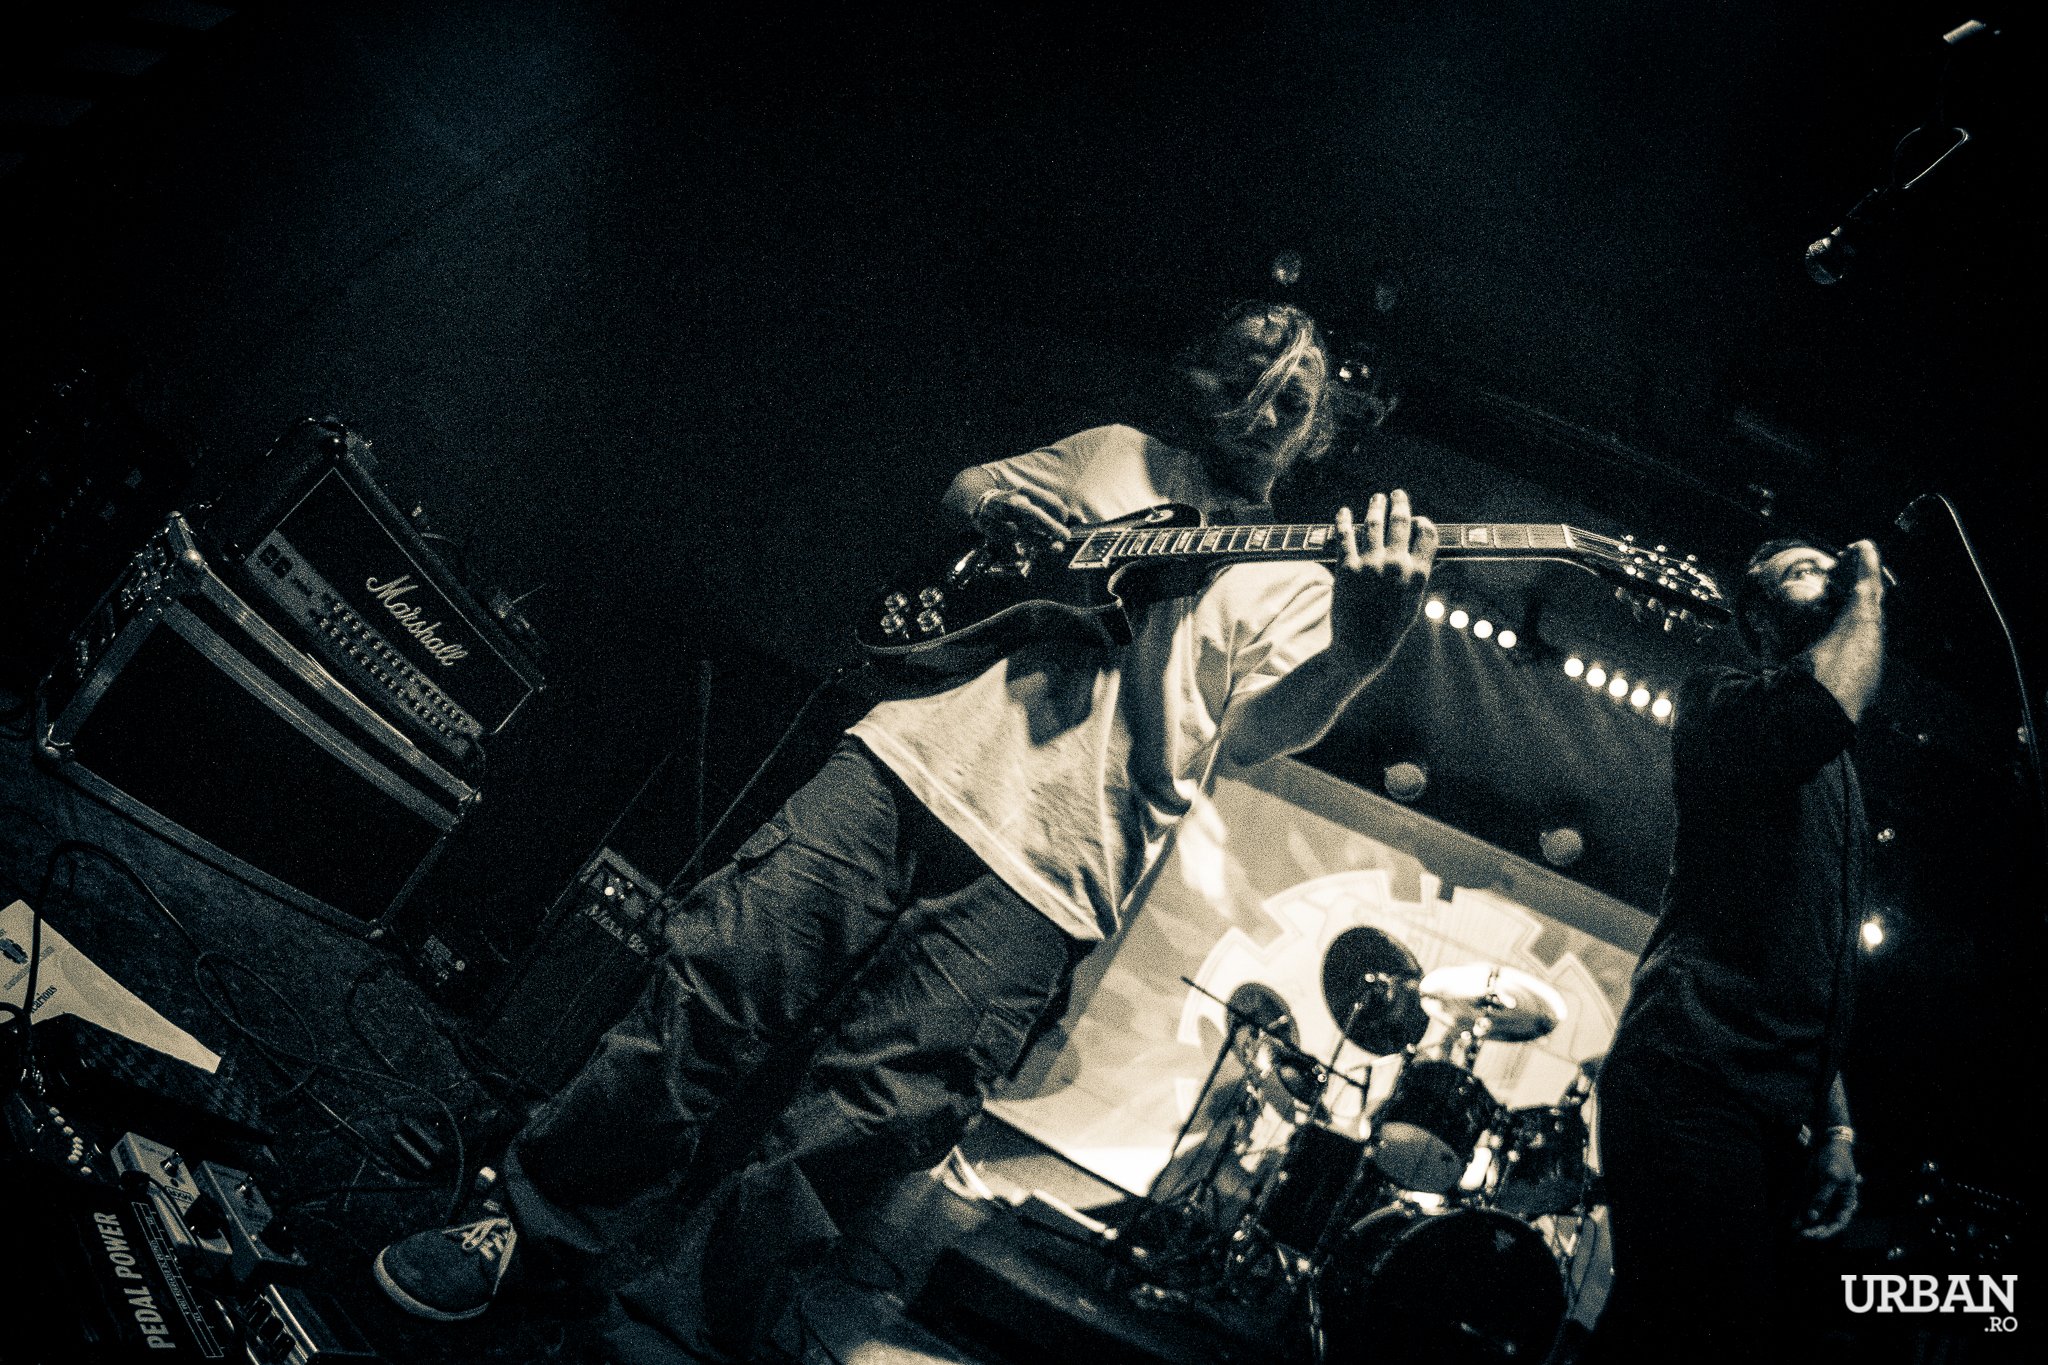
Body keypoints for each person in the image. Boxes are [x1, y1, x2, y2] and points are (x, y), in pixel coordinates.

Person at [369, 302, 1441, 1362]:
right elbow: (968, 490)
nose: (1262, 409)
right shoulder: (1114, 452)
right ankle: (528, 1227)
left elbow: (1241, 742)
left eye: (1291, 402)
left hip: (1049, 875)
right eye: (1249, 379)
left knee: (861, 1125)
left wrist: (1361, 649)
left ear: (1317, 431)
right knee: (705, 984)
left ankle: (679, 1333)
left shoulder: (1297, 576)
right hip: (903, 764)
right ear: (1208, 374)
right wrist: (994, 506)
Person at [1583, 537, 1883, 1362]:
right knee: (1706, 1332)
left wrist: (1837, 1128)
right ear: (1757, 618)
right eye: (1801, 570)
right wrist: (1867, 587)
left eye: (1830, 565)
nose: (1830, 573)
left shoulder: (1842, 779)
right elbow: (1825, 705)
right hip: (1691, 1072)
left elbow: (1815, 963)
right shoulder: (1721, 702)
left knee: (1661, 1335)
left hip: (1769, 1106)